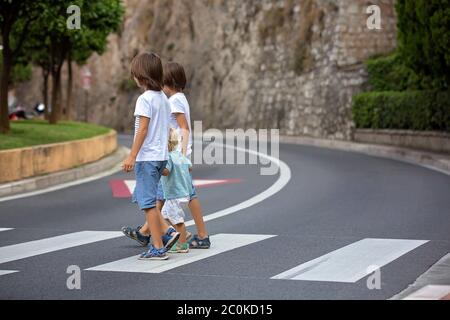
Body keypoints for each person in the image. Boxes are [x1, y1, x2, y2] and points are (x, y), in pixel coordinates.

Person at [123, 61, 211, 249]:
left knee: (167, 194)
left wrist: (181, 155)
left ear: (166, 81)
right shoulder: (176, 99)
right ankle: (147, 231)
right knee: (172, 194)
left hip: (173, 154)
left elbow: (184, 128)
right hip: (173, 153)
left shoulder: (174, 101)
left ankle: (175, 234)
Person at [122, 52, 180, 261]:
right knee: (146, 198)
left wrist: (132, 155)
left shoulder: (144, 99)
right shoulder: (164, 99)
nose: (134, 77)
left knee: (147, 204)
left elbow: (143, 129)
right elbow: (165, 129)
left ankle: (158, 246)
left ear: (142, 76)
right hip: (159, 156)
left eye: (135, 74)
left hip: (147, 158)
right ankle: (166, 234)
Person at [160, 128, 192, 253]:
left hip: (174, 194)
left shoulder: (168, 157)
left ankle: (182, 244)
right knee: (164, 216)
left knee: (177, 221)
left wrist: (158, 169)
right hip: (182, 193)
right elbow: (189, 167)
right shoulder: (179, 156)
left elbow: (166, 171)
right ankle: (180, 235)